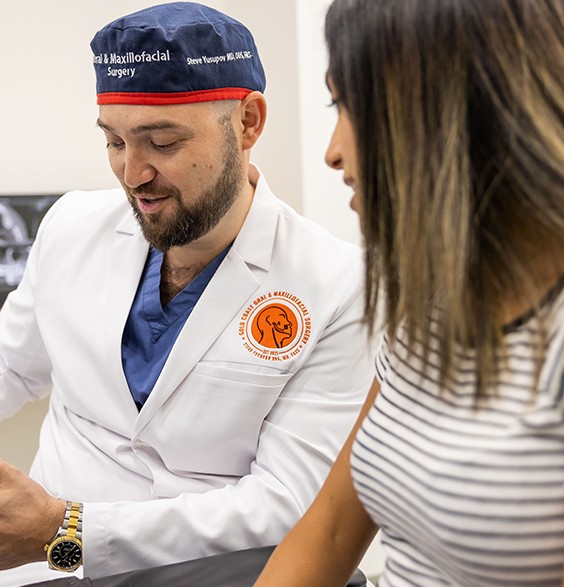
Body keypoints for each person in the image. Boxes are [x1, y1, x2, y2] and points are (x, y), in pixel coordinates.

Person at [0, 2, 375, 584]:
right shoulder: (71, 225)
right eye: (115, 142)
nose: (133, 174)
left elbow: (288, 502)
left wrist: (66, 529)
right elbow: (10, 368)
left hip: (208, 575)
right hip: (45, 571)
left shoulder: (338, 285)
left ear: (248, 123)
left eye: (162, 142)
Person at [254, 0, 564, 585]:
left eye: (349, 108)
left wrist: (67, 533)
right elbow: (330, 529)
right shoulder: (429, 310)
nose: (333, 152)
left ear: (447, 111)